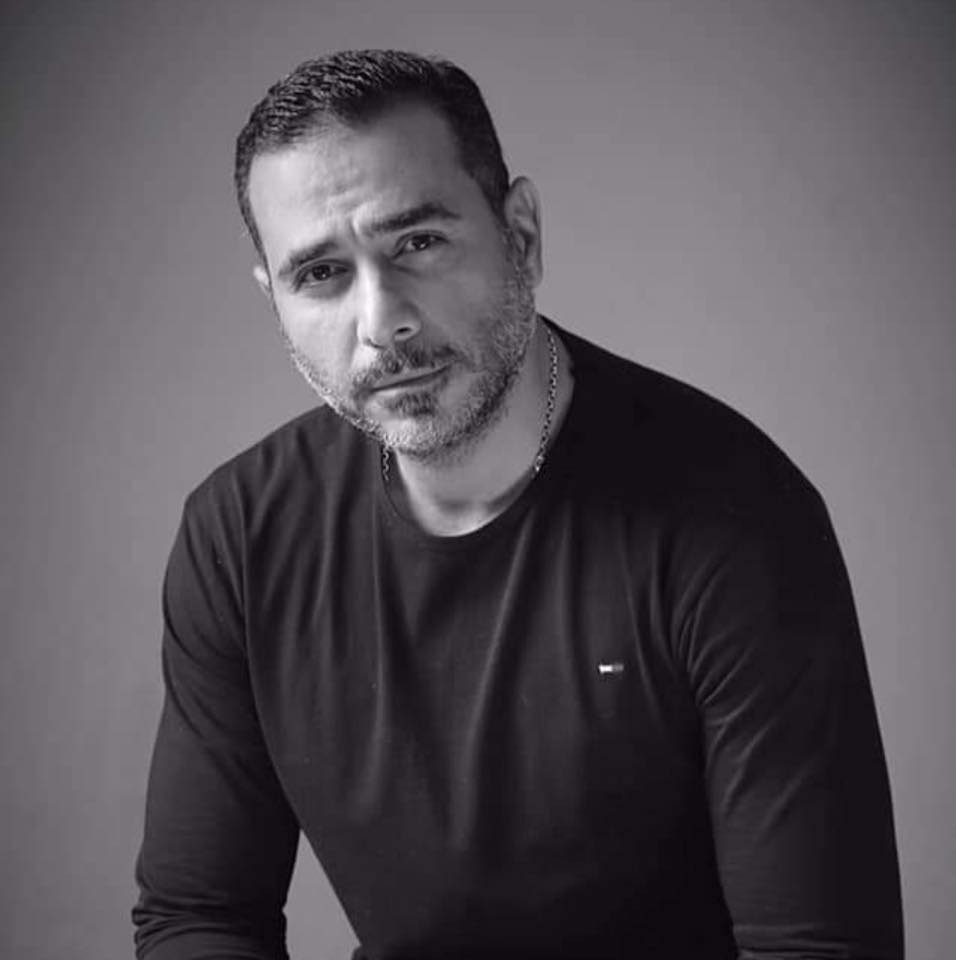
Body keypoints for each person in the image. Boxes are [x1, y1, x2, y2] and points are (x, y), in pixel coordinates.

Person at [133, 49, 903, 960]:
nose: (383, 322)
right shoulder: (241, 534)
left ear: (522, 236)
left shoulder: (737, 519)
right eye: (322, 274)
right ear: (276, 300)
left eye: (418, 243)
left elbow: (819, 949)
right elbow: (200, 916)